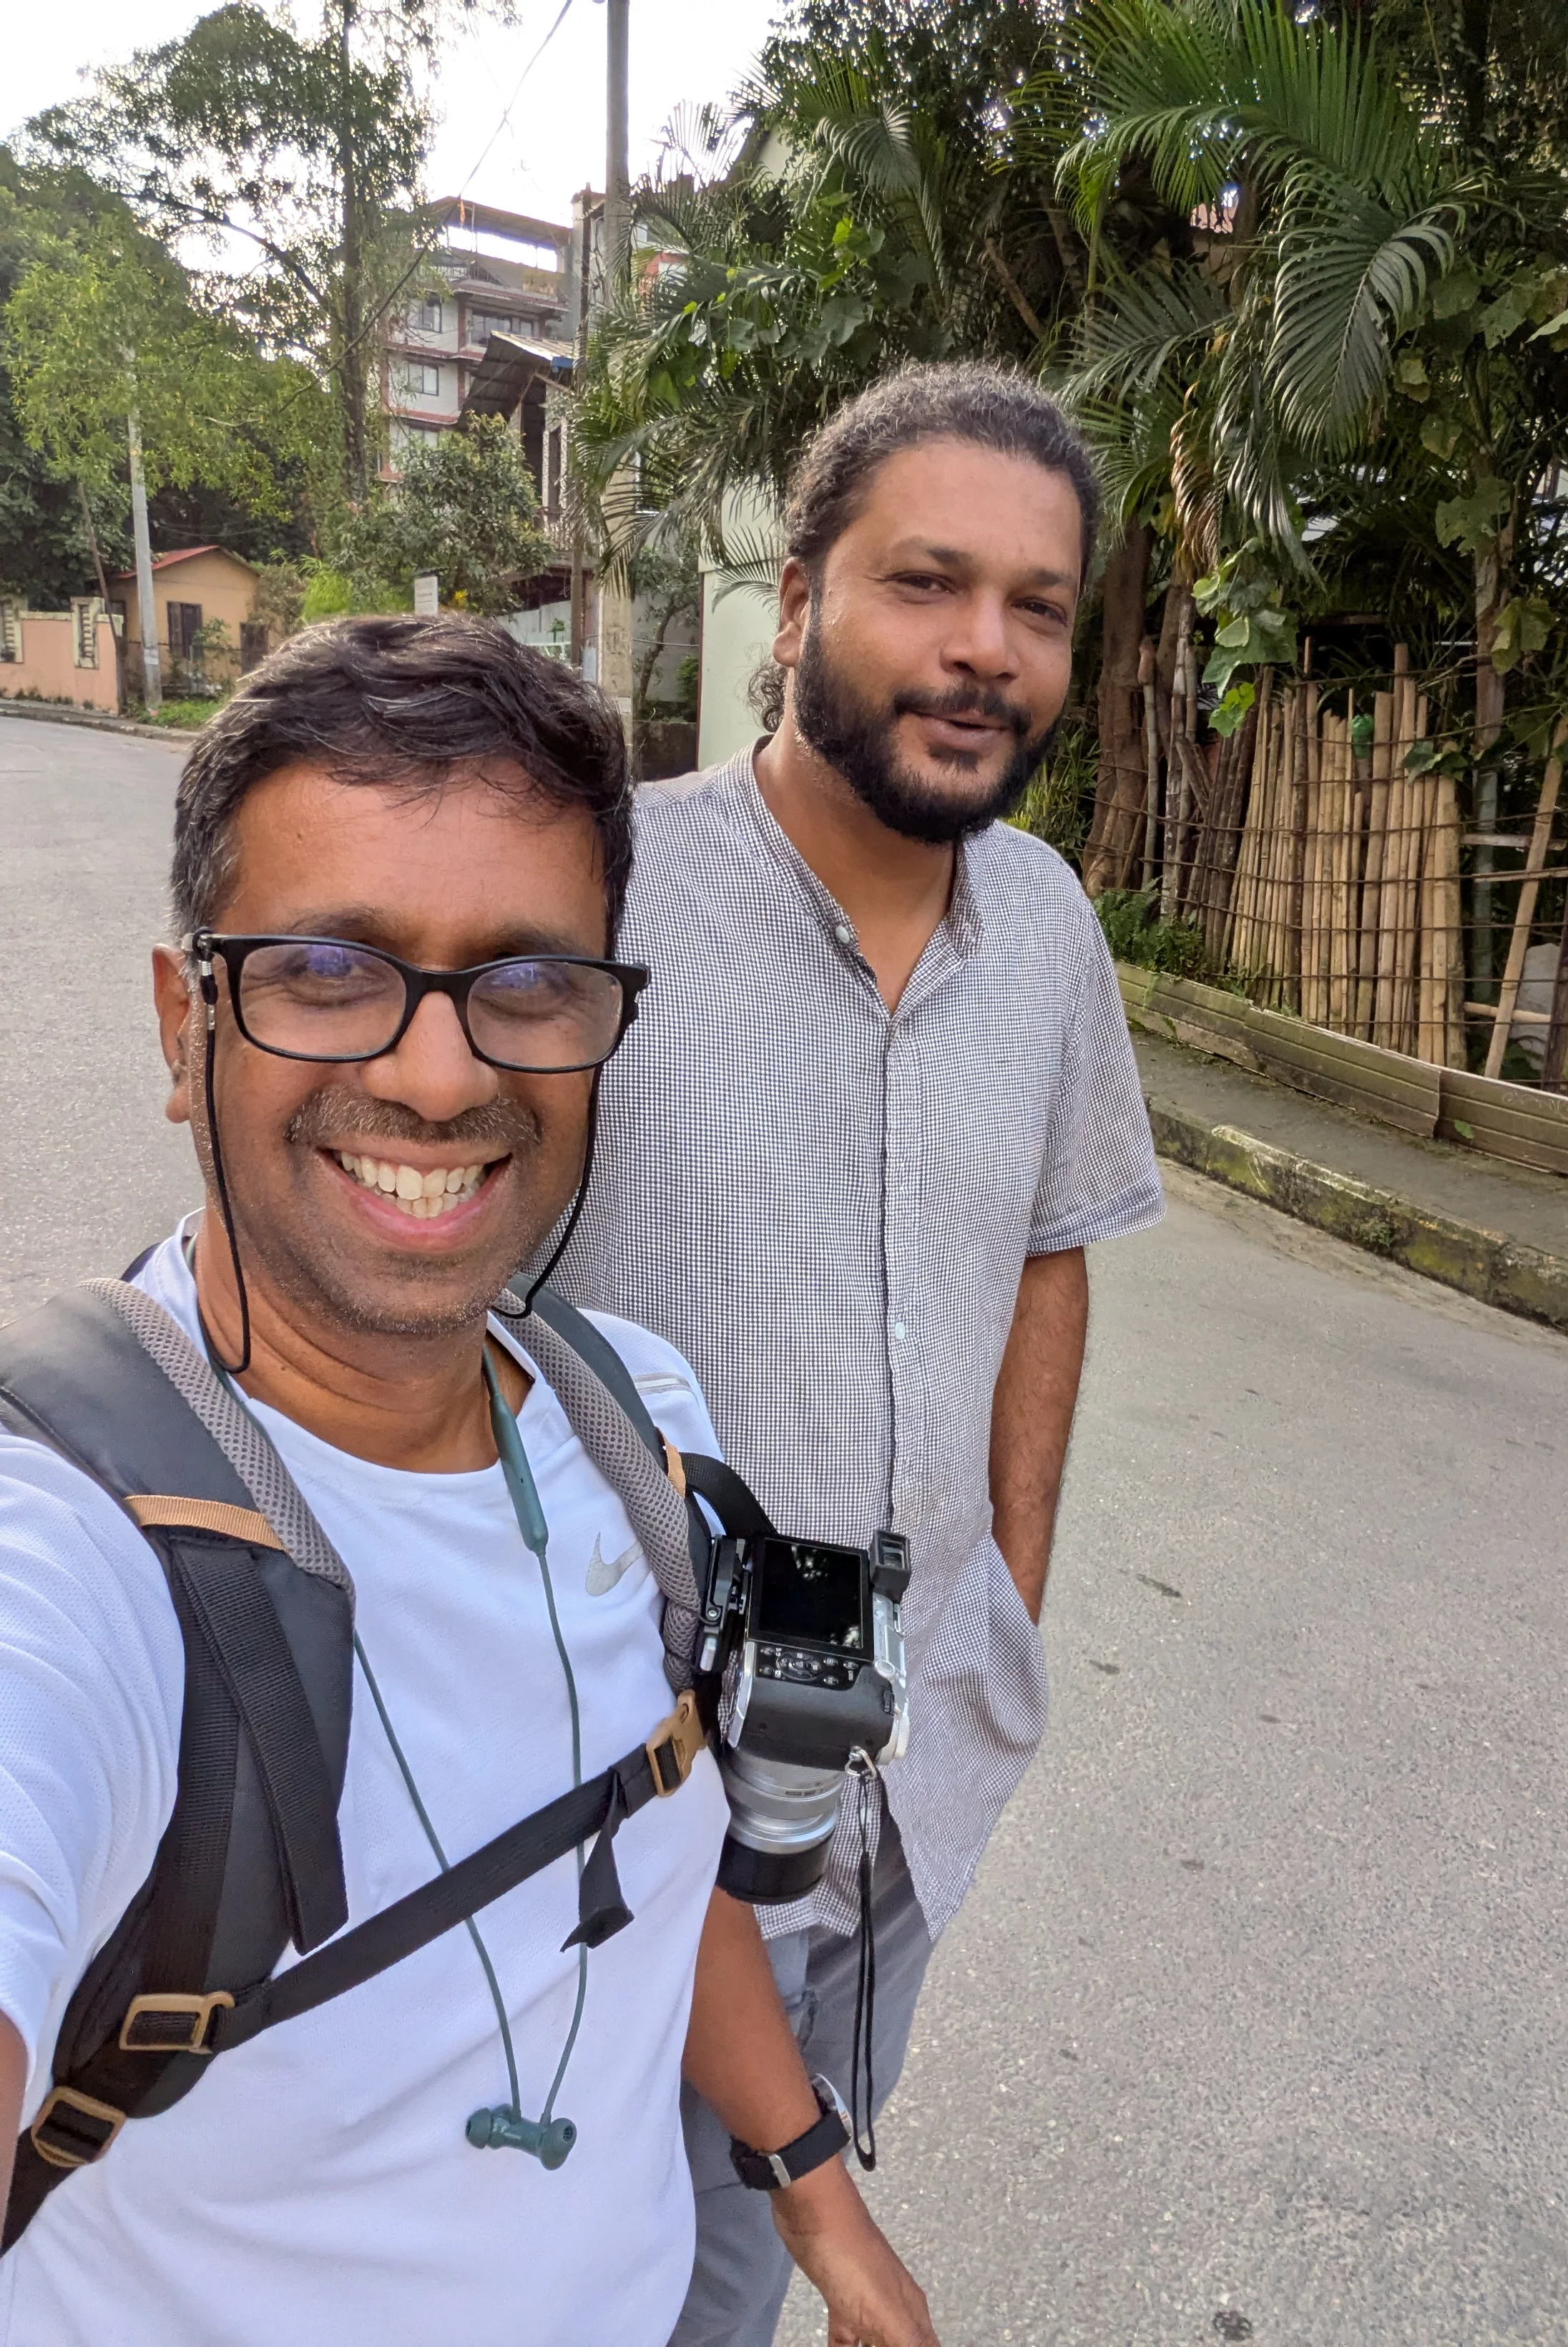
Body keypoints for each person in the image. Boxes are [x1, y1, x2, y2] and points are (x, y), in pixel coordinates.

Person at [0, 618, 936, 2347]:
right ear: (180, 1016)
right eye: (327, 968)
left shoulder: (619, 1407)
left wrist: (816, 2187)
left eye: (525, 982)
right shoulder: (73, 1545)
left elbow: (641, 1854)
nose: (439, 1073)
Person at [563, 361, 1165, 2347]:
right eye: (928, 583)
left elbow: (1058, 1252)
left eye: (1039, 606)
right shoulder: (613, 898)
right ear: (805, 588)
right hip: (631, 1810)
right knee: (676, 2275)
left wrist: (1005, 1585)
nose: (984, 650)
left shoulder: (1052, 930)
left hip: (904, 1773)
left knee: (800, 2191)